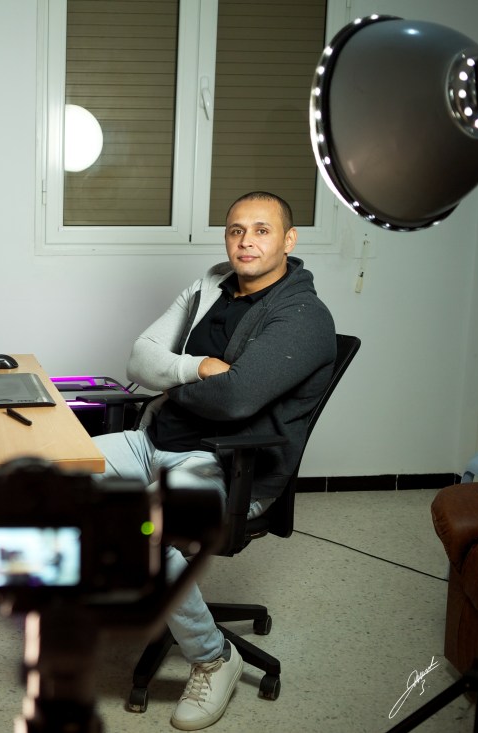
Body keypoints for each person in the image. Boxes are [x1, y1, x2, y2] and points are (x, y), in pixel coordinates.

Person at [94, 191, 336, 730]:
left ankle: (213, 658)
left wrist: (170, 375)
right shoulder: (211, 286)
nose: (246, 241)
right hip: (152, 441)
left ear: (289, 240)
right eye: (235, 230)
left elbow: (236, 400)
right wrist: (200, 367)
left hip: (221, 464)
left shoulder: (303, 316)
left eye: (262, 230)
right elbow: (138, 359)